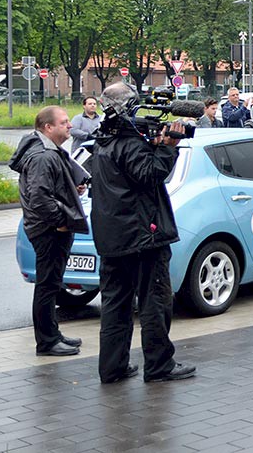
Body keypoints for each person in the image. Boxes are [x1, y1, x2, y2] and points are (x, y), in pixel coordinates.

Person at [91, 83, 195, 383]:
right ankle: (159, 365)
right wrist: (166, 148)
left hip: (113, 237)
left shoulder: (104, 142)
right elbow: (151, 175)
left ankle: (112, 367)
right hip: (142, 236)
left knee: (115, 304)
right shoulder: (130, 143)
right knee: (155, 300)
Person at [9, 106, 88, 357]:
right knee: (47, 286)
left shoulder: (48, 151)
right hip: (49, 230)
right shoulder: (43, 156)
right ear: (48, 127)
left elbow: (48, 190)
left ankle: (52, 333)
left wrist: (71, 190)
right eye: (64, 122)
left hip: (47, 227)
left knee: (51, 284)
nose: (69, 126)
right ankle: (46, 342)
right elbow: (39, 199)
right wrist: (59, 222)